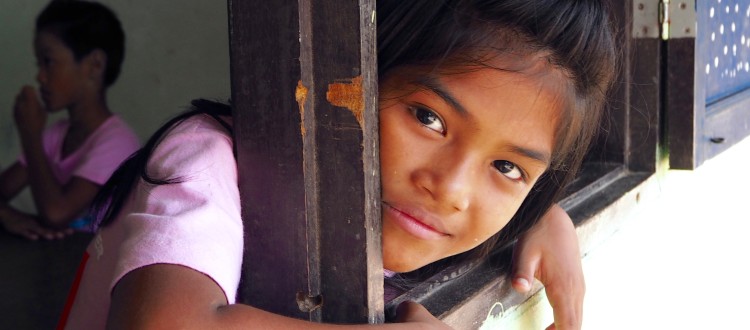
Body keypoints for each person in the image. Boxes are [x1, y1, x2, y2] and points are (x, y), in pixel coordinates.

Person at [59, 0, 616, 329]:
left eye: (508, 168)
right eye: (427, 118)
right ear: (352, 77)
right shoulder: (210, 156)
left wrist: (541, 215)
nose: (450, 189)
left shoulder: (428, 208)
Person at [0, 0, 139, 240]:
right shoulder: (57, 134)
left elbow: (56, 214)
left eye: (49, 62)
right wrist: (6, 215)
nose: (40, 77)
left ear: (94, 64)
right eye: (38, 63)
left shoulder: (118, 142)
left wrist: (30, 135)